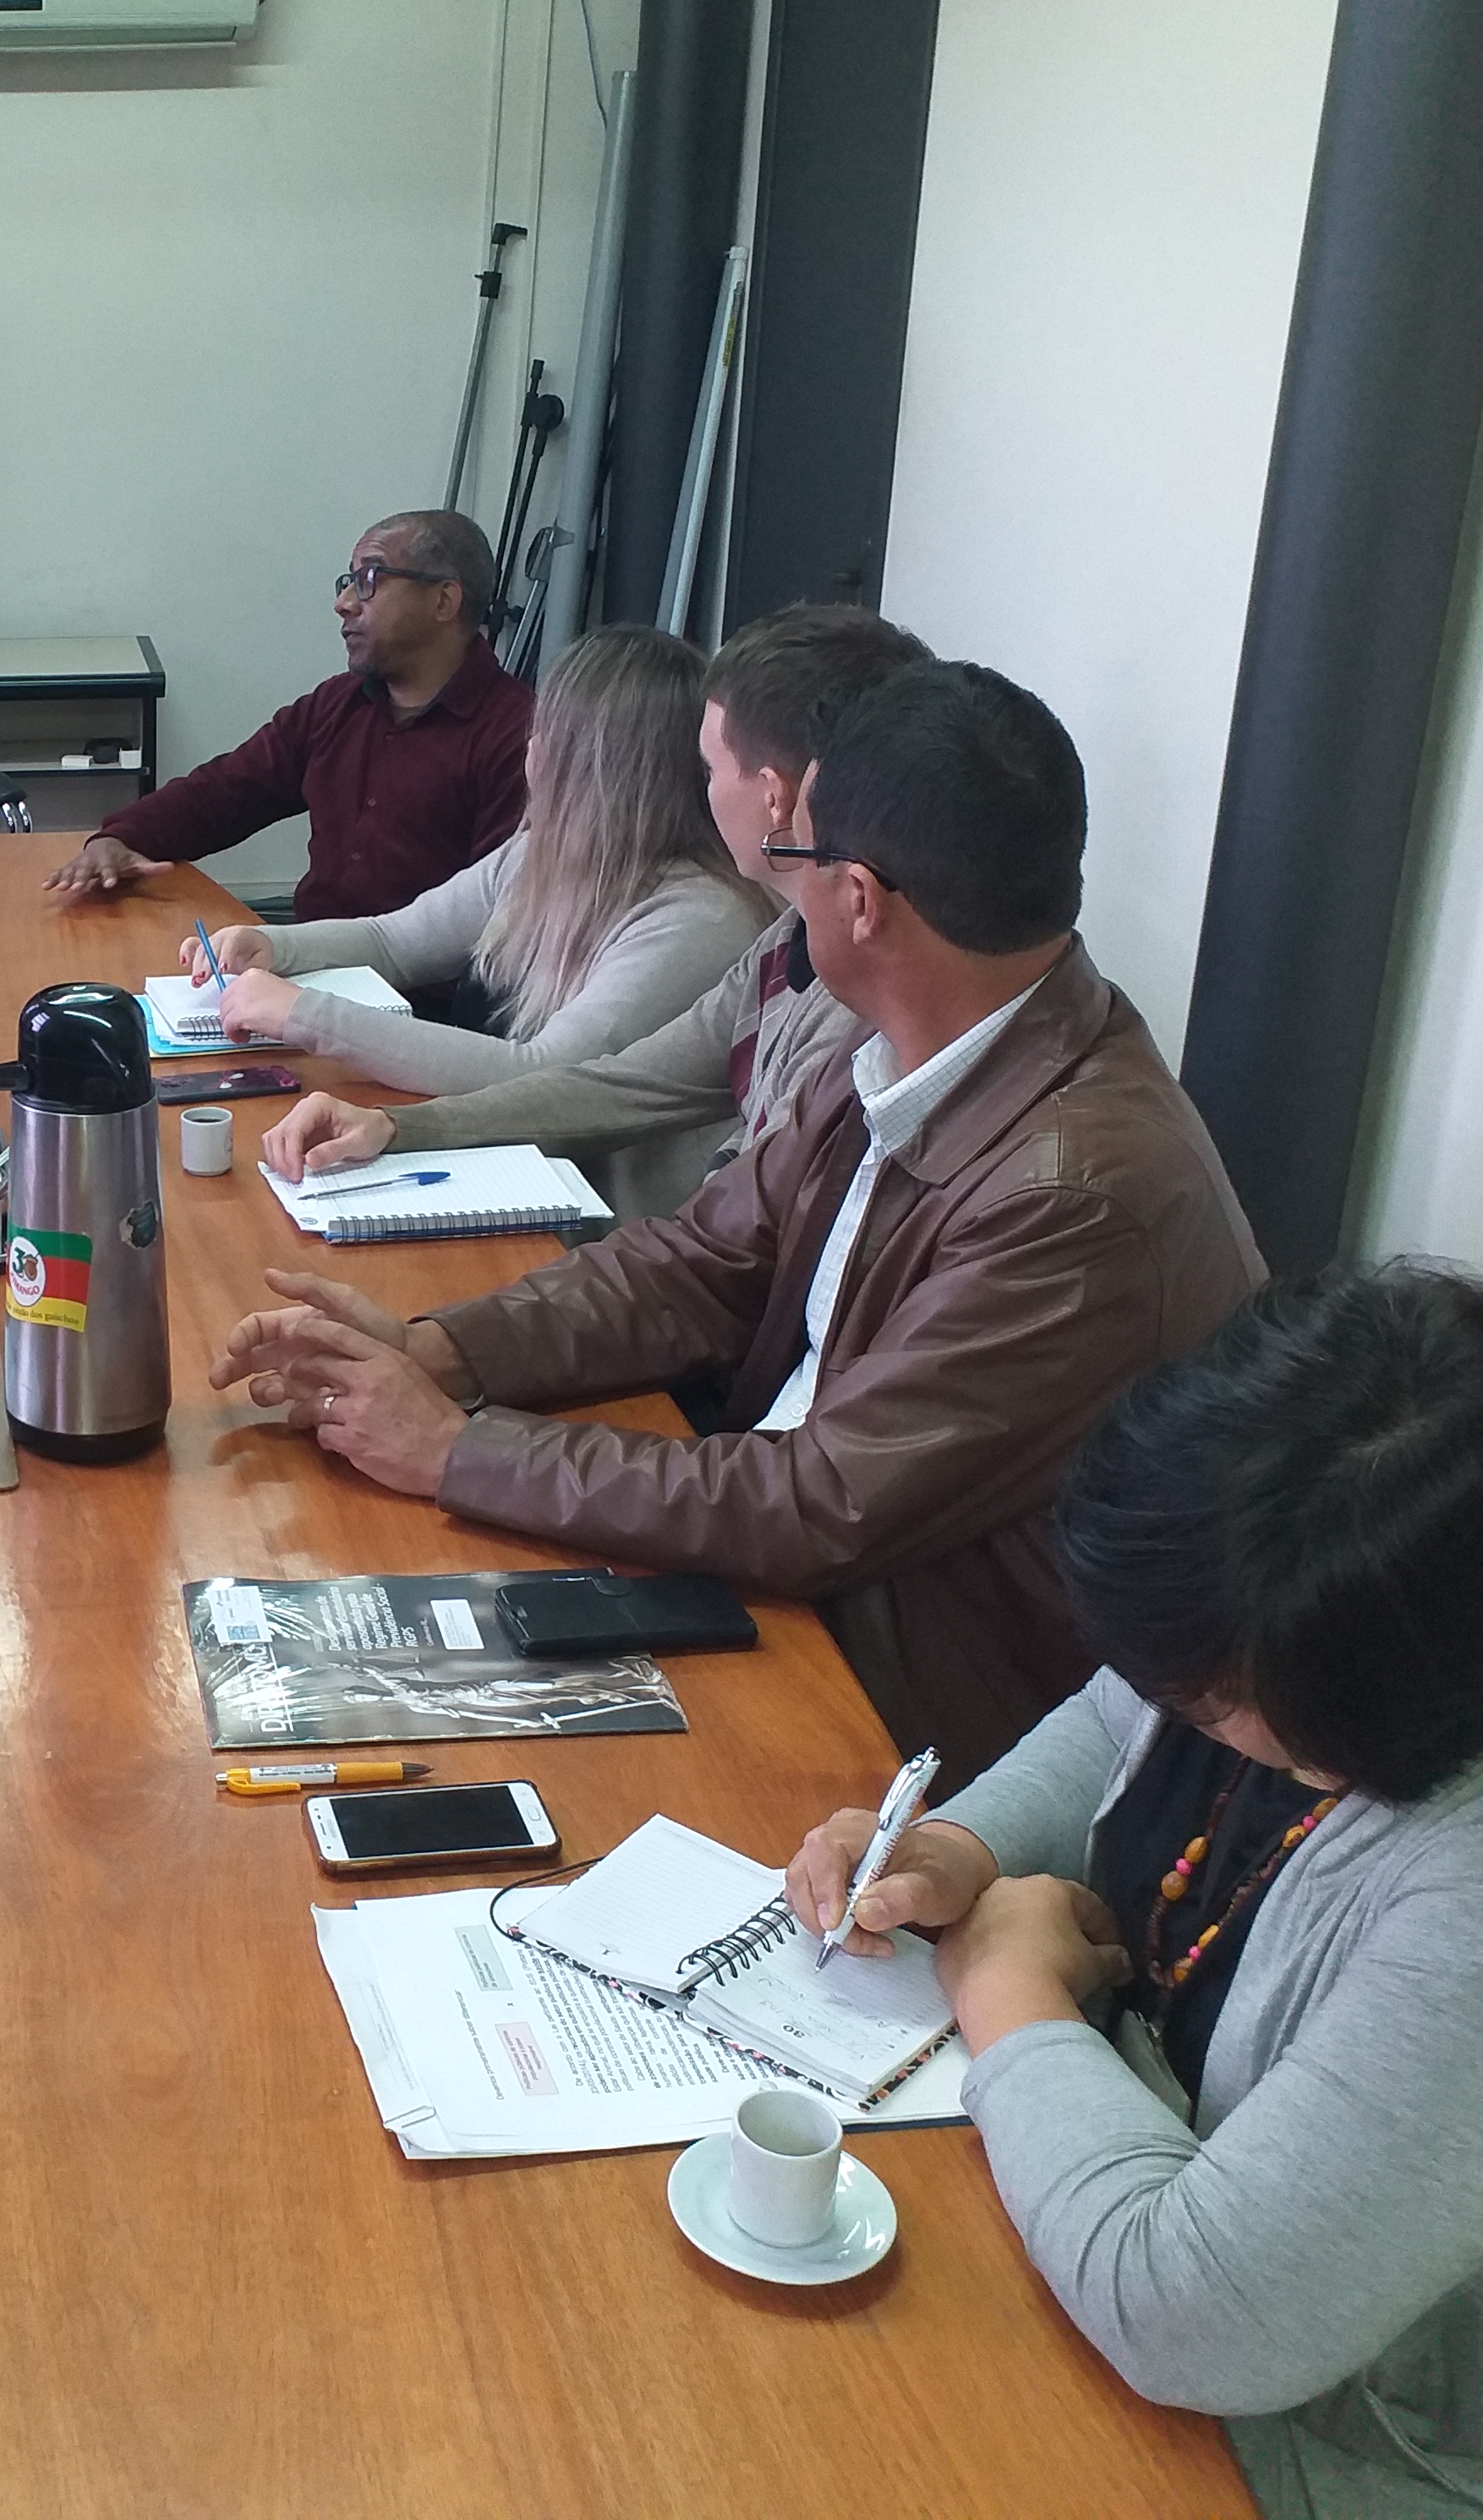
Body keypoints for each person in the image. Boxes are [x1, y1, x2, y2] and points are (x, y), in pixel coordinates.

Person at [783, 1265, 1483, 2515]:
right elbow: (1124, 1710)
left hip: (1430, 2461)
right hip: (1176, 2263)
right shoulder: (1382, 1585)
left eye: (1217, 1706)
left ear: (1353, 1731)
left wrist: (1005, 1984)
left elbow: (1199, 2321)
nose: (1181, 1713)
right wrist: (962, 1853)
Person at [213, 659, 1265, 1779]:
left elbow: (816, 1504)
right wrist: (438, 1348)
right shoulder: (906, 1039)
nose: (773, 879)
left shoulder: (1076, 1198)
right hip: (804, 1579)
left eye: (795, 857)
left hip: (911, 1696)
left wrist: (455, 1447)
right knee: (310, 1635)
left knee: (380, 1719)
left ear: (859, 899)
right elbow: (698, 1259)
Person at [260, 602, 926, 1183]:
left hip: (617, 1239)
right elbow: (619, 1086)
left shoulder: (715, 922)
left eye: (713, 766)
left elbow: (563, 1079)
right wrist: (397, 1127)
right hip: (634, 1255)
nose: (704, 788)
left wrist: (310, 1018)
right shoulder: (786, 945)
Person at [179, 623, 773, 1217]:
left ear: (592, 765)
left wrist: (301, 1014)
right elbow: (394, 940)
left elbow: (541, 1076)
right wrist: (272, 945)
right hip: (534, 1183)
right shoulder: (539, 855)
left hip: (609, 1233)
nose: (530, 750)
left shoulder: (701, 918)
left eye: (546, 733)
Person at [42, 509, 532, 921]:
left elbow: (491, 917)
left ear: (444, 600)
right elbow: (227, 790)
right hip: (310, 972)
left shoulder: (519, 735)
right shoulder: (336, 706)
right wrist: (119, 838)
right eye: (348, 581)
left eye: (369, 581)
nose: (343, 604)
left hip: (422, 1006)